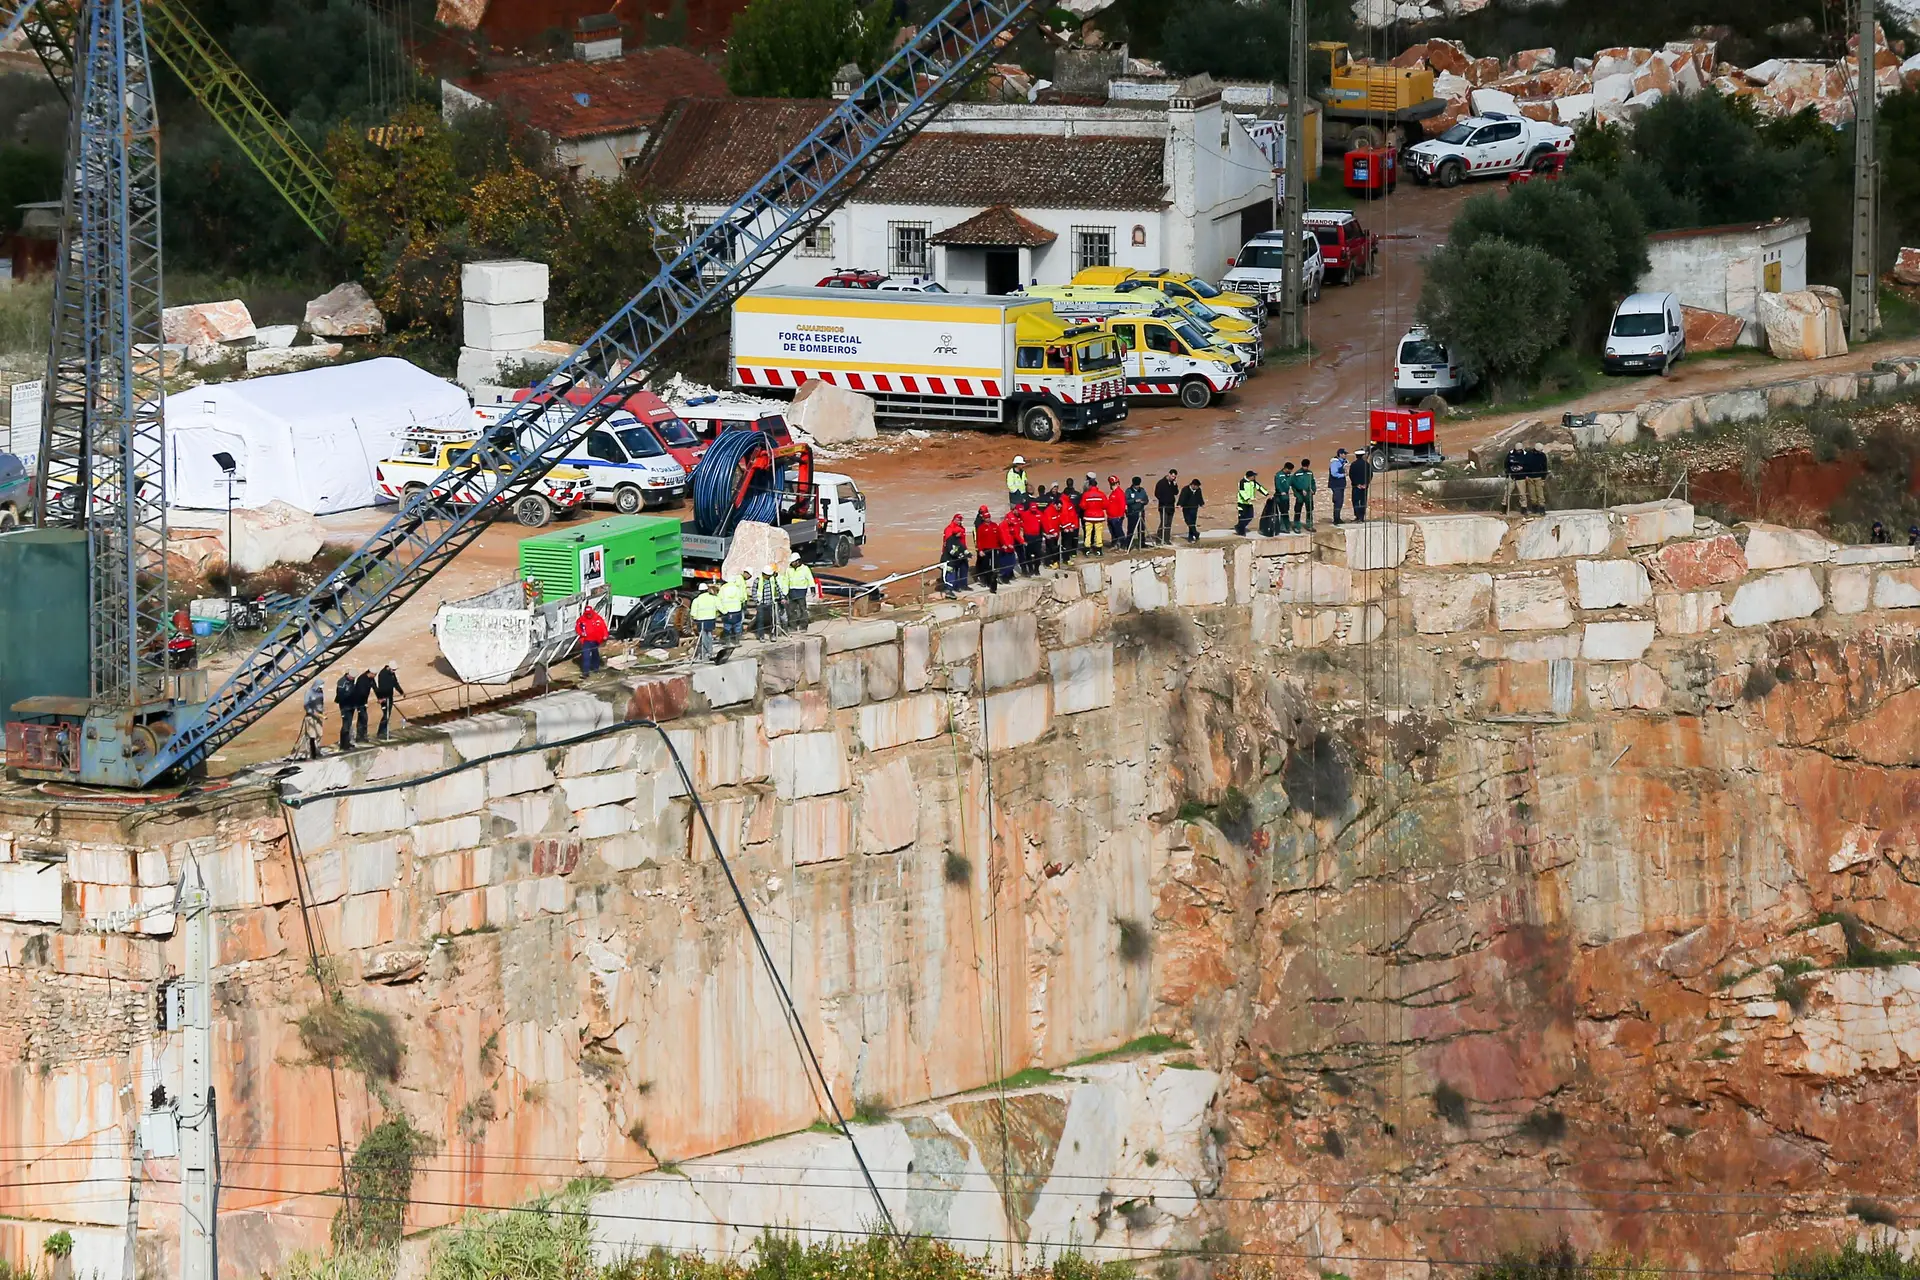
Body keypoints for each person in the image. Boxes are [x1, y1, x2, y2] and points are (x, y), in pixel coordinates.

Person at [576, 604, 610, 674]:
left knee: (595, 654)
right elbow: (577, 628)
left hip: (596, 641)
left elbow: (603, 628)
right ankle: (585, 672)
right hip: (586, 641)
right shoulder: (581, 619)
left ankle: (595, 668)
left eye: (589, 614)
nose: (588, 615)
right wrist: (581, 633)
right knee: (586, 656)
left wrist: (605, 635)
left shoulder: (598, 618)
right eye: (587, 614)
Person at [782, 551, 814, 626]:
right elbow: (786, 581)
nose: (792, 563)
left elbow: (810, 578)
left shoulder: (805, 569)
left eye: (793, 562)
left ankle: (803, 626)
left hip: (801, 592)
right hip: (792, 592)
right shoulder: (789, 570)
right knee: (791, 610)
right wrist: (784, 593)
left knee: (803, 609)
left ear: (797, 561)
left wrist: (812, 588)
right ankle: (793, 626)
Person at [690, 582, 721, 658]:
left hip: (700, 621)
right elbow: (720, 607)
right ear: (707, 590)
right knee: (709, 635)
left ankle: (704, 653)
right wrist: (725, 613)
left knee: (703, 636)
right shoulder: (713, 598)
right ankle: (710, 652)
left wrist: (694, 619)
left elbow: (693, 613)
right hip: (711, 620)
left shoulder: (696, 600)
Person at [975, 505, 1001, 591]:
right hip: (985, 549)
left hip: (994, 549)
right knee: (985, 565)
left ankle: (993, 581)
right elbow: (979, 540)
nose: (988, 519)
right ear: (983, 518)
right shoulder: (981, 527)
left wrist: (1002, 545)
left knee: (995, 566)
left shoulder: (995, 525)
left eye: (989, 518)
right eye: (986, 518)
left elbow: (999, 536)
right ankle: (984, 580)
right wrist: (980, 550)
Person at [298, 680, 326, 759]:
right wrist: (313, 712)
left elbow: (321, 703)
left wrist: (322, 711)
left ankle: (317, 750)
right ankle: (312, 753)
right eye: (320, 686)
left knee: (320, 734)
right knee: (312, 735)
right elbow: (306, 705)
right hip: (311, 717)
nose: (321, 687)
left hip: (319, 716)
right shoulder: (309, 692)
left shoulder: (321, 692)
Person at [374, 664, 404, 740]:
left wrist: (401, 692)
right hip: (384, 697)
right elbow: (382, 687)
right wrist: (381, 698)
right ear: (389, 668)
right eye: (393, 670)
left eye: (395, 670)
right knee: (385, 715)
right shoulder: (382, 674)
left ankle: (383, 731)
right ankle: (381, 733)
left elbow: (395, 683)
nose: (394, 671)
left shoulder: (392, 673)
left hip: (390, 697)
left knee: (388, 714)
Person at [1081, 474, 1108, 555]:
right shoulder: (1101, 494)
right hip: (1098, 517)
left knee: (1088, 533)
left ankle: (1087, 549)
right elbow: (1105, 505)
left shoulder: (1086, 494)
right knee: (1098, 533)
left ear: (1089, 485)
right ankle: (1099, 549)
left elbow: (1082, 506)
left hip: (1088, 517)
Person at [752, 564, 781, 638]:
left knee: (772, 620)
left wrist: (782, 597)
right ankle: (761, 636)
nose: (769, 576)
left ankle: (772, 634)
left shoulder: (772, 579)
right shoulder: (758, 580)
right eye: (768, 575)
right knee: (760, 620)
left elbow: (777, 588)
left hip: (770, 603)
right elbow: (754, 591)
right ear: (764, 574)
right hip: (761, 604)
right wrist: (756, 600)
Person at [1235, 470, 1267, 536]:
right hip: (1242, 503)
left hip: (1249, 503)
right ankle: (1241, 532)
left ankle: (1239, 527)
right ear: (1249, 476)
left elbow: (1259, 487)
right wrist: (1247, 499)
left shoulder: (1253, 482)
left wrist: (1266, 494)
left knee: (1250, 516)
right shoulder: (1242, 482)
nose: (1254, 477)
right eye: (1253, 476)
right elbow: (1242, 492)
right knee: (1242, 518)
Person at [718, 571, 748, 638]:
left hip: (726, 611)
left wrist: (721, 609)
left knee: (727, 626)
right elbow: (742, 598)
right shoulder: (737, 588)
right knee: (737, 625)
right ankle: (737, 640)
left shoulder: (723, 588)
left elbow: (719, 599)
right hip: (737, 610)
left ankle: (727, 640)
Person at [997, 508, 1022, 584]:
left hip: (1011, 548)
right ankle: (1002, 576)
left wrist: (1022, 541)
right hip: (1005, 549)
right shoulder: (1002, 526)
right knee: (1005, 564)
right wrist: (1007, 544)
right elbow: (1001, 537)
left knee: (1012, 562)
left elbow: (1015, 534)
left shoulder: (1011, 525)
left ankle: (1007, 576)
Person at [1019, 496, 1044, 575]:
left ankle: (1036, 569)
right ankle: (1030, 568)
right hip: (1028, 536)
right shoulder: (1024, 514)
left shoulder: (1040, 514)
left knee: (1038, 554)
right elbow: (1020, 525)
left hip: (1037, 537)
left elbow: (1043, 524)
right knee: (1028, 554)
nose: (1034, 511)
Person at [351, 669, 376, 744]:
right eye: (375, 674)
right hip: (359, 701)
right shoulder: (362, 679)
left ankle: (363, 736)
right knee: (363, 718)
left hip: (363, 702)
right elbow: (361, 692)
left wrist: (380, 697)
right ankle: (360, 737)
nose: (375, 676)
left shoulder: (371, 679)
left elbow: (375, 687)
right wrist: (363, 703)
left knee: (364, 719)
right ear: (370, 673)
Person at [1154, 469, 1179, 545]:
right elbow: (1157, 494)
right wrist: (1163, 501)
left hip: (1171, 506)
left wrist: (1175, 485)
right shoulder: (1161, 483)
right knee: (1163, 523)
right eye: (1172, 476)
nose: (1173, 478)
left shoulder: (1173, 483)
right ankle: (1158, 539)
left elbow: (1176, 492)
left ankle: (1166, 539)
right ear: (1169, 474)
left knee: (1169, 524)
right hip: (1163, 506)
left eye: (1174, 477)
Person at [1291, 458, 1316, 533]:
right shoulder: (1297, 474)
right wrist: (1299, 491)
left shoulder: (1310, 473)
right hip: (1300, 496)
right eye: (1304, 466)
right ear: (1302, 465)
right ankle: (1296, 526)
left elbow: (1313, 482)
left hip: (1308, 495)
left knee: (1310, 510)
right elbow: (1293, 484)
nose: (1306, 468)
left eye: (1307, 466)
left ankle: (1309, 525)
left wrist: (1313, 489)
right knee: (1298, 511)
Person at [334, 670, 356, 750]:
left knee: (348, 725)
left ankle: (347, 742)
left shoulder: (351, 681)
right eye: (352, 677)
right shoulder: (342, 682)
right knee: (345, 726)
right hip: (344, 706)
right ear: (349, 675)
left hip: (351, 705)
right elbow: (340, 695)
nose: (353, 679)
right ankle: (344, 745)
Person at [1349, 448, 1373, 522]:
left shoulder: (1353, 464)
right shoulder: (1367, 464)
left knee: (1355, 501)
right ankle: (1362, 517)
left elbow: (1351, 475)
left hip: (1356, 486)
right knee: (1363, 501)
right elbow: (1370, 475)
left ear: (1356, 456)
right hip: (1365, 486)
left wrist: (1357, 484)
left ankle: (1357, 516)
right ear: (1362, 456)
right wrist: (1366, 483)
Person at [1125, 476, 1149, 549]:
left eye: (1138, 485)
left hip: (1141, 512)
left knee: (1141, 529)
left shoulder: (1142, 490)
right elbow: (1126, 501)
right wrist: (1134, 501)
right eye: (1136, 485)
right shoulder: (1128, 491)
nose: (1137, 486)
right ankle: (1128, 544)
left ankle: (1142, 543)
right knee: (1131, 529)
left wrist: (1144, 502)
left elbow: (1146, 500)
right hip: (1132, 513)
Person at [1328, 449, 1349, 525]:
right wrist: (1343, 475)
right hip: (1336, 485)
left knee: (1340, 502)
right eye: (1344, 454)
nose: (1345, 455)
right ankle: (1336, 519)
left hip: (1340, 485)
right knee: (1338, 501)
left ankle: (1338, 518)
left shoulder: (1342, 462)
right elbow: (1334, 473)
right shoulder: (1335, 462)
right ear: (1340, 454)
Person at [1039, 495, 1061, 566]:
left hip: (1055, 534)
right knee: (1051, 548)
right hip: (1049, 534)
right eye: (1058, 507)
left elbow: (1057, 521)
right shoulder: (1048, 511)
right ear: (1055, 505)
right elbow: (1048, 523)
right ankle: (1050, 562)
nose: (1059, 509)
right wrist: (1052, 532)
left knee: (1052, 548)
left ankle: (1052, 562)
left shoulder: (1056, 511)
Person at [1106, 474, 1127, 547]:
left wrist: (1120, 516)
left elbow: (1122, 505)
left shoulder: (1119, 493)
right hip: (1111, 516)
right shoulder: (1113, 492)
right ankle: (1115, 545)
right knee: (1113, 533)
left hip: (1116, 517)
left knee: (1119, 532)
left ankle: (1123, 545)